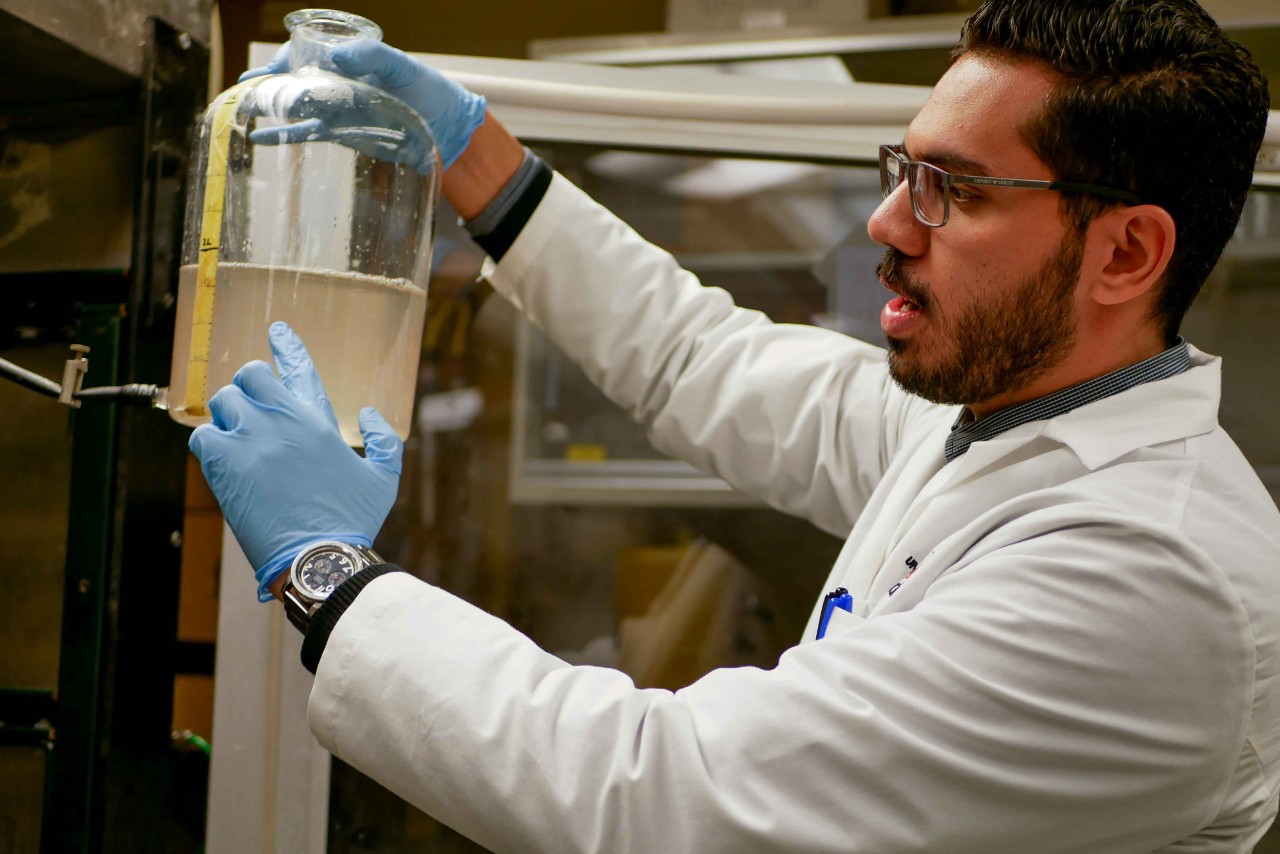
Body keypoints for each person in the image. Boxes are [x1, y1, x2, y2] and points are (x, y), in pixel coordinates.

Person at [190, 1, 1280, 850]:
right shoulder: (995, 419)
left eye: (953, 190)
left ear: (1126, 253)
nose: (886, 222)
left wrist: (328, 571)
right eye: (903, 170)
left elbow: (665, 797)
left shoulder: (1147, 573)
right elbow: (693, 356)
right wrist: (473, 154)